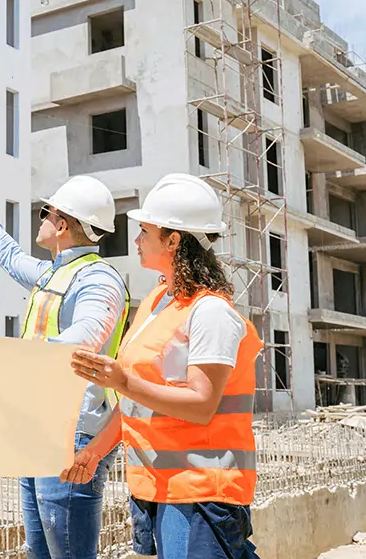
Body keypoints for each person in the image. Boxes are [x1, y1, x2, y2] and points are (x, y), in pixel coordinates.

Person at [60, 173, 261, 559]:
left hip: (201, 490)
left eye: (145, 231)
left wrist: (123, 381)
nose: (135, 240)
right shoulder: (156, 302)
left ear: (173, 240)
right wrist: (94, 452)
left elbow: (202, 405)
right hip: (157, 486)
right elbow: (138, 401)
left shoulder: (211, 313)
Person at [0, 170, 131, 559]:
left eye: (45, 213)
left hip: (73, 434)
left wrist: (15, 363)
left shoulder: (99, 279)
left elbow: (87, 333)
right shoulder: (56, 273)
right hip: (39, 428)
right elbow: (11, 258)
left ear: (62, 223)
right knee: (40, 551)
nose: (41, 219)